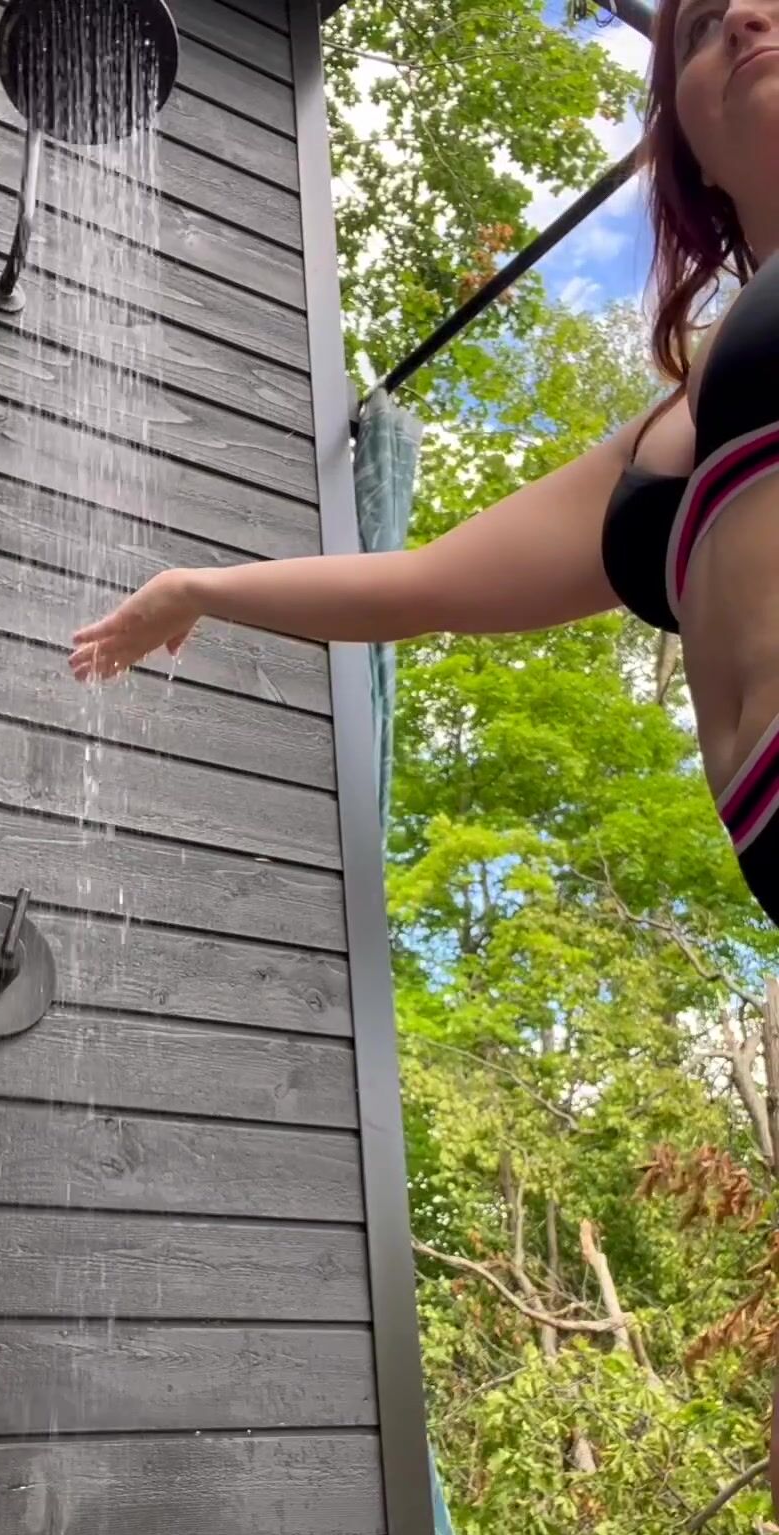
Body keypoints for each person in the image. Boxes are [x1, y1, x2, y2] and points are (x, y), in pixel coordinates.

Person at [71, 0, 779, 925]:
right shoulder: (669, 433)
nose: (744, 19)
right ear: (693, 156)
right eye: (699, 27)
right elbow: (424, 584)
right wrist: (197, 588)